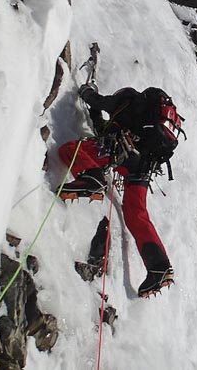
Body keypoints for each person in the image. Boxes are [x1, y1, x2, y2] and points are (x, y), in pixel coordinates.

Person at [58, 83, 176, 298]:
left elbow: (98, 101)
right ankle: (159, 267)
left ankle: (91, 178)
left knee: (70, 151)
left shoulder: (127, 98)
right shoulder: (140, 121)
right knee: (136, 214)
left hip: (122, 150)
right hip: (142, 167)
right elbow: (101, 127)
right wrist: (95, 115)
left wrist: (86, 91)